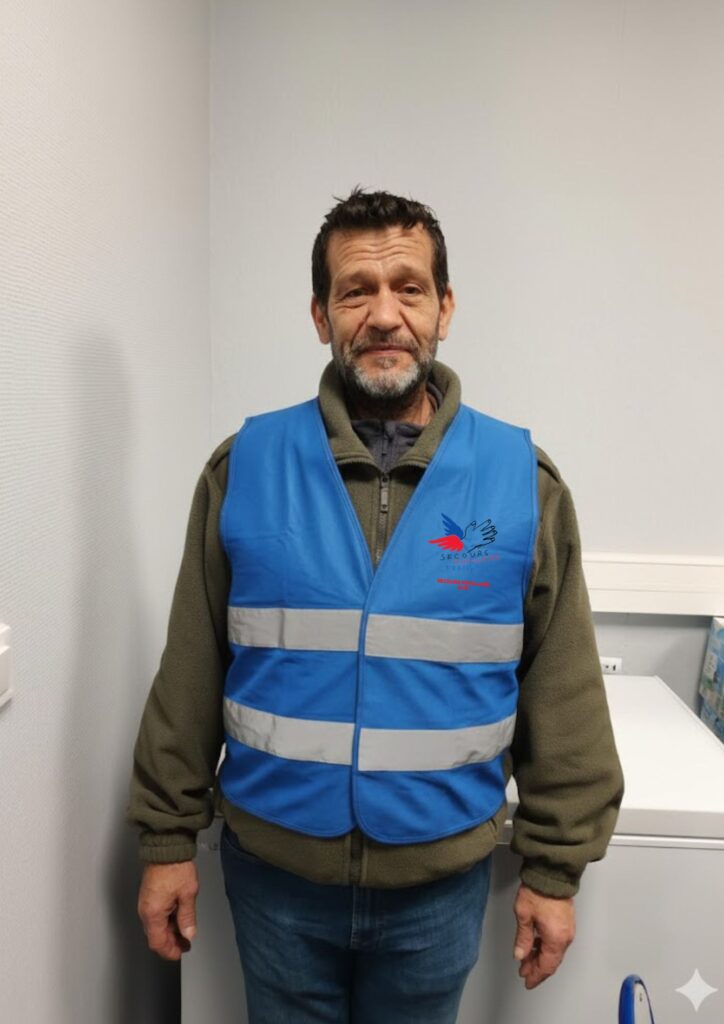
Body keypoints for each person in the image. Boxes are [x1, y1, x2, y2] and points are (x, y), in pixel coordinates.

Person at [128, 188, 624, 1023]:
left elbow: (563, 688)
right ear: (320, 315)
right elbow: (190, 670)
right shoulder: (244, 468)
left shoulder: (522, 481)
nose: (384, 315)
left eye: (409, 288)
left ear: (444, 309)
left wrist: (554, 871)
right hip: (275, 883)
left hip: (438, 892)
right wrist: (166, 840)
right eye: (356, 291)